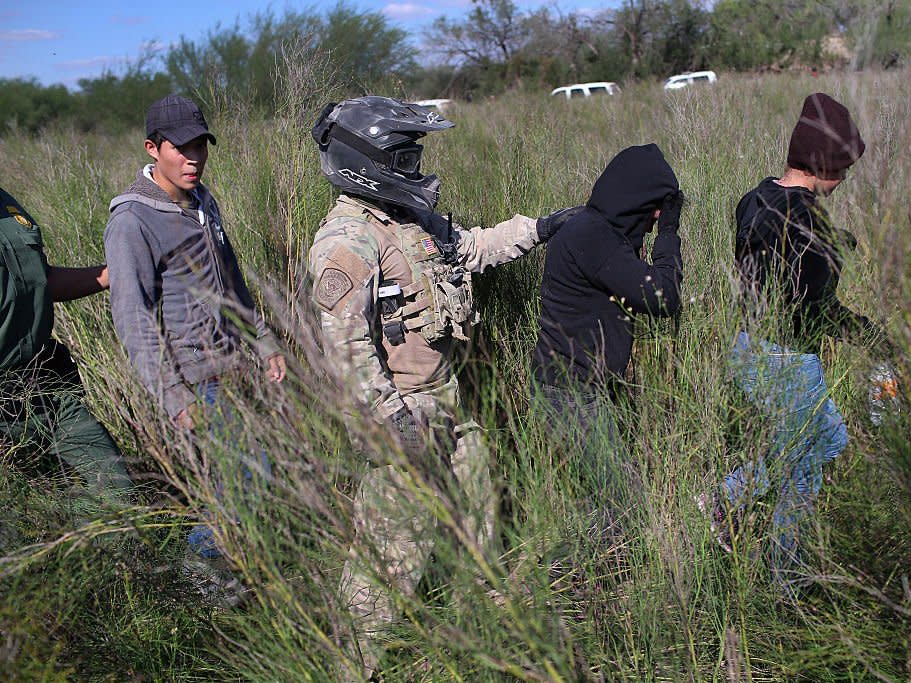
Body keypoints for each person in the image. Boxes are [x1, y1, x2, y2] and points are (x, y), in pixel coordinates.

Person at [307, 95, 580, 677]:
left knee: (481, 521)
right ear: (369, 160)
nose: (415, 166)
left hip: (452, 399)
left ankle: (472, 637)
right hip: (405, 412)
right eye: (404, 155)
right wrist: (391, 420)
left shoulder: (410, 220)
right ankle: (352, 665)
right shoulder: (349, 240)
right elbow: (345, 345)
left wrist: (542, 227)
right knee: (390, 555)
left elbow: (470, 249)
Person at [705, 92, 889, 595]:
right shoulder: (809, 220)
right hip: (786, 355)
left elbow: (771, 258)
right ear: (824, 164)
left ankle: (727, 499)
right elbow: (812, 306)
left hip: (746, 344)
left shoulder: (756, 197)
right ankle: (791, 581)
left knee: (823, 440)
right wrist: (867, 334)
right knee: (808, 466)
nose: (845, 179)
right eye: (843, 169)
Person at [104, 94, 285, 583]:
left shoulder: (205, 201)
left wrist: (262, 340)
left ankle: (229, 575)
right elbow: (131, 315)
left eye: (200, 146)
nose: (193, 158)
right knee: (247, 475)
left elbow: (231, 280)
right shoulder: (132, 219)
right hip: (192, 377)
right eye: (180, 148)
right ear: (152, 148)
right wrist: (173, 396)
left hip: (232, 366)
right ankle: (205, 571)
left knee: (239, 482)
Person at [530, 144, 684, 509]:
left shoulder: (597, 230)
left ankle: (568, 564)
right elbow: (662, 298)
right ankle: (553, 568)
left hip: (575, 391)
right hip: (569, 394)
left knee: (603, 504)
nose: (653, 220)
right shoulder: (593, 237)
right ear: (637, 201)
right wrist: (669, 233)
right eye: (653, 211)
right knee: (625, 505)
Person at [1, 186, 132, 522]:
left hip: (43, 385)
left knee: (118, 493)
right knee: (16, 519)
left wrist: (108, 276)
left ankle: (79, 546)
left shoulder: (6, 203)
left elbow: (37, 281)